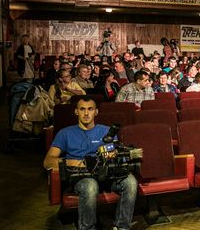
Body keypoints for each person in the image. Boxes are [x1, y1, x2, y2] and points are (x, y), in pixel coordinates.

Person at [43, 96, 138, 230]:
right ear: (76, 112)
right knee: (90, 185)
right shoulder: (65, 133)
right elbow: (48, 161)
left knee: (130, 182)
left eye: (90, 109)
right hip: (82, 177)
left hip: (106, 175)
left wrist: (114, 157)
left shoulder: (107, 132)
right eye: (82, 109)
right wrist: (73, 162)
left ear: (96, 112)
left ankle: (122, 227)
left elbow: (118, 157)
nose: (86, 113)